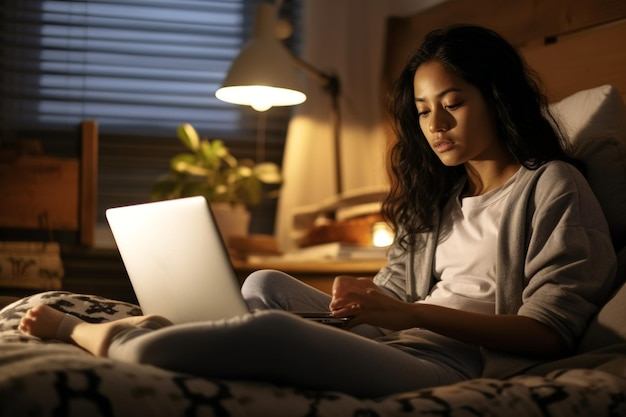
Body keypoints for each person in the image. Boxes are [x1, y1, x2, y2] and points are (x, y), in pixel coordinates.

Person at [20, 25, 616, 398]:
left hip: (453, 362)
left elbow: (549, 333)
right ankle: (195, 330)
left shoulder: (551, 187)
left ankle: (92, 333)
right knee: (264, 284)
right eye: (423, 109)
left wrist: (401, 313)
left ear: (498, 99)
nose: (435, 124)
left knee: (269, 327)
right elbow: (394, 294)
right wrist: (365, 302)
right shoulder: (438, 197)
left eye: (454, 104)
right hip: (403, 334)